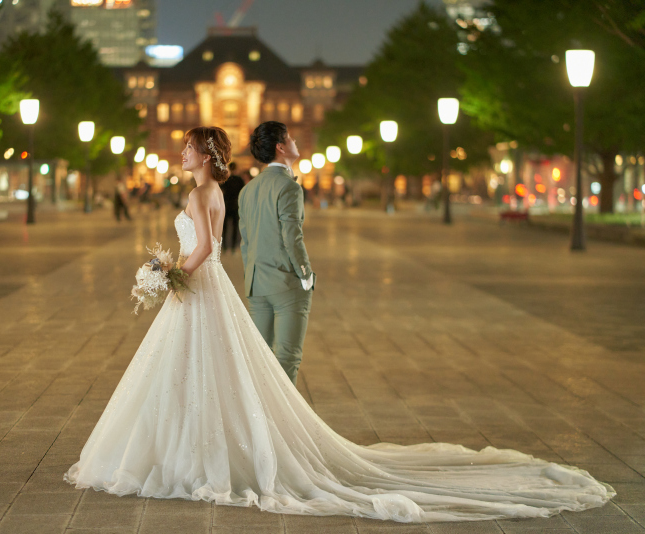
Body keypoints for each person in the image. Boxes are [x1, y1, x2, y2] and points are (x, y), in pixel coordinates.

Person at [64, 126, 613, 522]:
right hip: (222, 288)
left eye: (186, 146)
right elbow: (227, 243)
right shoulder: (228, 190)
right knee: (236, 367)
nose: (181, 152)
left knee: (197, 371)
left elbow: (209, 247)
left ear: (205, 153)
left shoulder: (215, 190)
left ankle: (187, 449)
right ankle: (226, 442)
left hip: (219, 285)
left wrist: (167, 272)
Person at [238, 121, 313, 386]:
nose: (295, 142)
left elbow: (245, 242)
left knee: (260, 358)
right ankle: (282, 424)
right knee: (287, 358)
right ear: (281, 147)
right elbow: (292, 237)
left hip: (257, 284)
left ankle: (259, 420)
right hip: (285, 284)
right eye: (290, 138)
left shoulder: (247, 190)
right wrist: (306, 274)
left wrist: (252, 276)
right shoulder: (288, 187)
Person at [220, 161, 245, 252]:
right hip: (236, 205)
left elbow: (221, 191)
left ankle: (225, 246)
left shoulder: (227, 179)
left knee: (225, 227)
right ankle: (234, 247)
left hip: (226, 205)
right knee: (235, 227)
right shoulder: (239, 180)